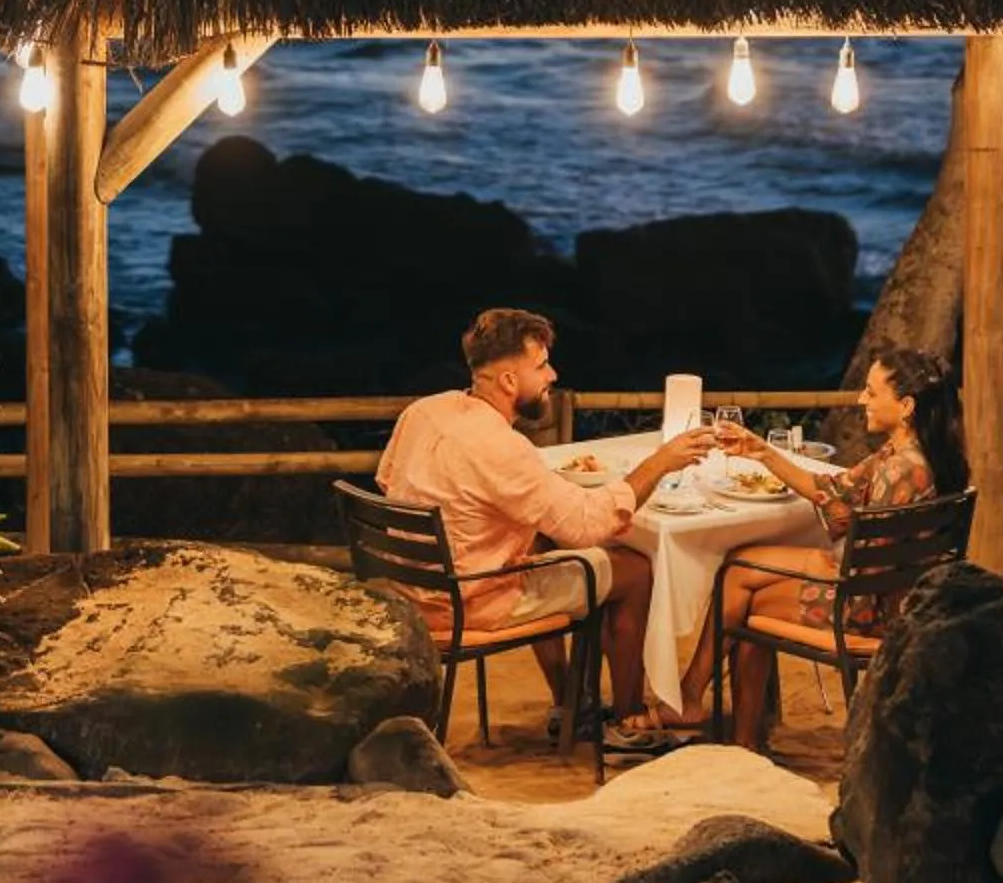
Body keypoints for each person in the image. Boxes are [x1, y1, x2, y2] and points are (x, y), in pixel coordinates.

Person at [377, 306, 717, 750]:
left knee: (537, 537)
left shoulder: (425, 411)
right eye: (540, 367)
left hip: (412, 589)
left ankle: (571, 704)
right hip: (469, 600)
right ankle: (626, 720)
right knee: (634, 571)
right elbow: (586, 525)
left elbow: (387, 479)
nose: (553, 375)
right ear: (509, 382)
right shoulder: (502, 447)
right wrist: (660, 463)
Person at [671, 347, 968, 751]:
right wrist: (760, 451)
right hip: (896, 597)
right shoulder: (915, 454)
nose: (861, 399)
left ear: (906, 406)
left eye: (871, 392)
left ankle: (711, 716)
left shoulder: (900, 472)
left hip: (872, 613)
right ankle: (721, 722)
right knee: (737, 567)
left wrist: (817, 565)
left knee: (740, 596)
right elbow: (832, 492)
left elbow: (865, 574)